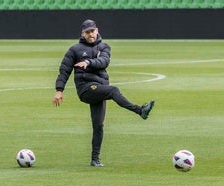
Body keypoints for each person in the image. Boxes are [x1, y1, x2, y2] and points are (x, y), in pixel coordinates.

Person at [53, 19, 155, 167]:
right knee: (113, 90)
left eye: (92, 31)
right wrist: (59, 90)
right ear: (83, 33)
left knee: (98, 126)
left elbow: (104, 61)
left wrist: (88, 62)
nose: (90, 34)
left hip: (100, 89)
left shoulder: (104, 47)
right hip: (86, 89)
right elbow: (64, 70)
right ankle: (140, 110)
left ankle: (95, 159)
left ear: (97, 30)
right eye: (87, 32)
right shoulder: (75, 50)